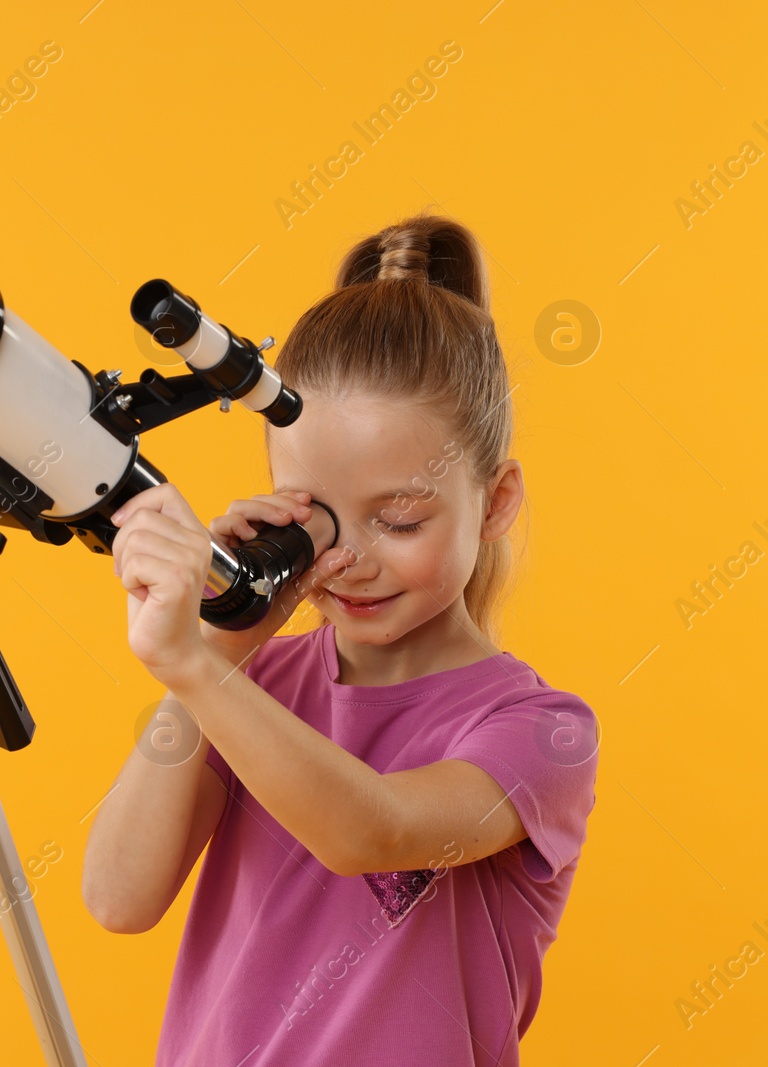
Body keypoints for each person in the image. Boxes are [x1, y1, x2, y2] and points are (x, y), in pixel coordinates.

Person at [81, 214, 599, 1065]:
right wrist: (218, 647)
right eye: (317, 518)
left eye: (398, 519)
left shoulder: (542, 732)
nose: (352, 560)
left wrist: (191, 667)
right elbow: (118, 894)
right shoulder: (248, 683)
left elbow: (378, 831)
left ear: (497, 501)